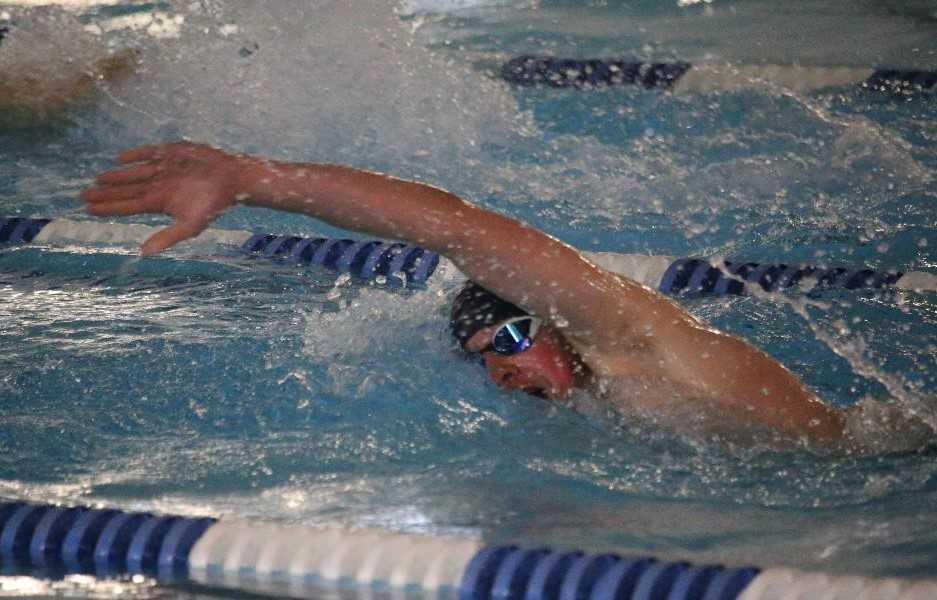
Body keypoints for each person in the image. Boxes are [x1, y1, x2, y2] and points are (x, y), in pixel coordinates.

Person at [82, 141, 850, 444]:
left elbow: (455, 228)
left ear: (555, 320)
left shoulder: (627, 334)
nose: (503, 370)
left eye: (511, 339)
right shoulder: (602, 393)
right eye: (484, 357)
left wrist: (256, 181)